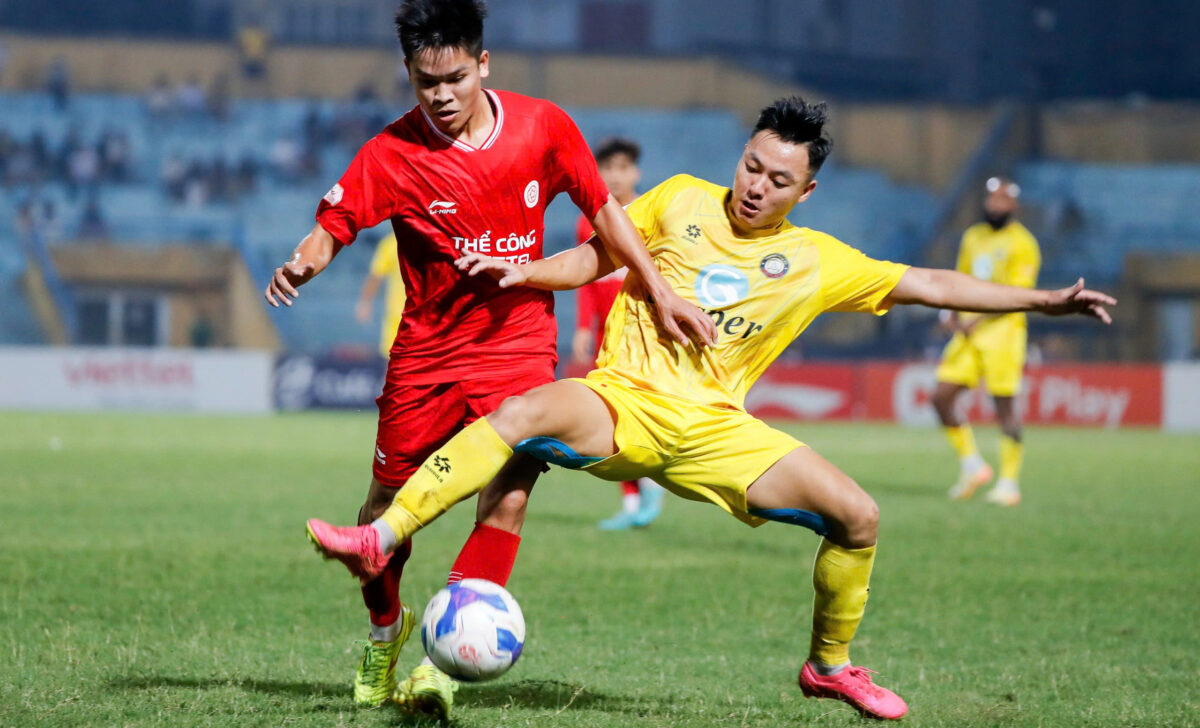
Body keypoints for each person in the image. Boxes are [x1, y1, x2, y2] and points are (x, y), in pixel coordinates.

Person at [306, 96, 1115, 721]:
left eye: (778, 179)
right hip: (619, 401)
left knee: (860, 516)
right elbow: (599, 253)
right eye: (752, 166)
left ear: (807, 189)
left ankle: (828, 667)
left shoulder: (814, 260)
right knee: (522, 414)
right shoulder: (681, 200)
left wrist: (1043, 302)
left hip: (717, 430)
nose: (756, 186)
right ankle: (381, 537)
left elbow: (930, 284)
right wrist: (530, 274)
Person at [266, 0, 714, 717]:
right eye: (425, 82)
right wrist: (306, 258)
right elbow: (335, 223)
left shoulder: (544, 128)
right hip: (429, 352)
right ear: (408, 74)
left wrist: (658, 289)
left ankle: (440, 670)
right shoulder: (392, 151)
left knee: (503, 501)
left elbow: (603, 210)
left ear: (483, 62)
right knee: (384, 508)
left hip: (518, 348)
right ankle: (386, 632)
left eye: (455, 78)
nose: (441, 95)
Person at [569, 137, 665, 530]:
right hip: (607, 336)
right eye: (608, 168)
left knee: (642, 413)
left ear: (636, 173)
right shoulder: (586, 220)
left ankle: (653, 479)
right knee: (611, 417)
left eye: (623, 168)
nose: (616, 175)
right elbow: (588, 280)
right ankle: (632, 499)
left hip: (645, 333)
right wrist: (581, 327)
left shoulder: (653, 213)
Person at [932, 177, 1041, 506]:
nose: (995, 205)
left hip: (1003, 334)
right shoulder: (973, 236)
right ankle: (972, 465)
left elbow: (1019, 295)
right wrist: (951, 312)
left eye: (1003, 200)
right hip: (968, 333)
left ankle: (1010, 482)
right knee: (941, 397)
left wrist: (975, 316)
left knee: (1004, 407)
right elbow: (961, 277)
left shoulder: (1024, 244)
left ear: (1014, 206)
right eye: (991, 199)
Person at [356, 232, 405, 359]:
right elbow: (376, 276)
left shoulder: (431, 240)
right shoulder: (390, 243)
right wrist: (365, 302)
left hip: (426, 318)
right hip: (397, 319)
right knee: (394, 364)